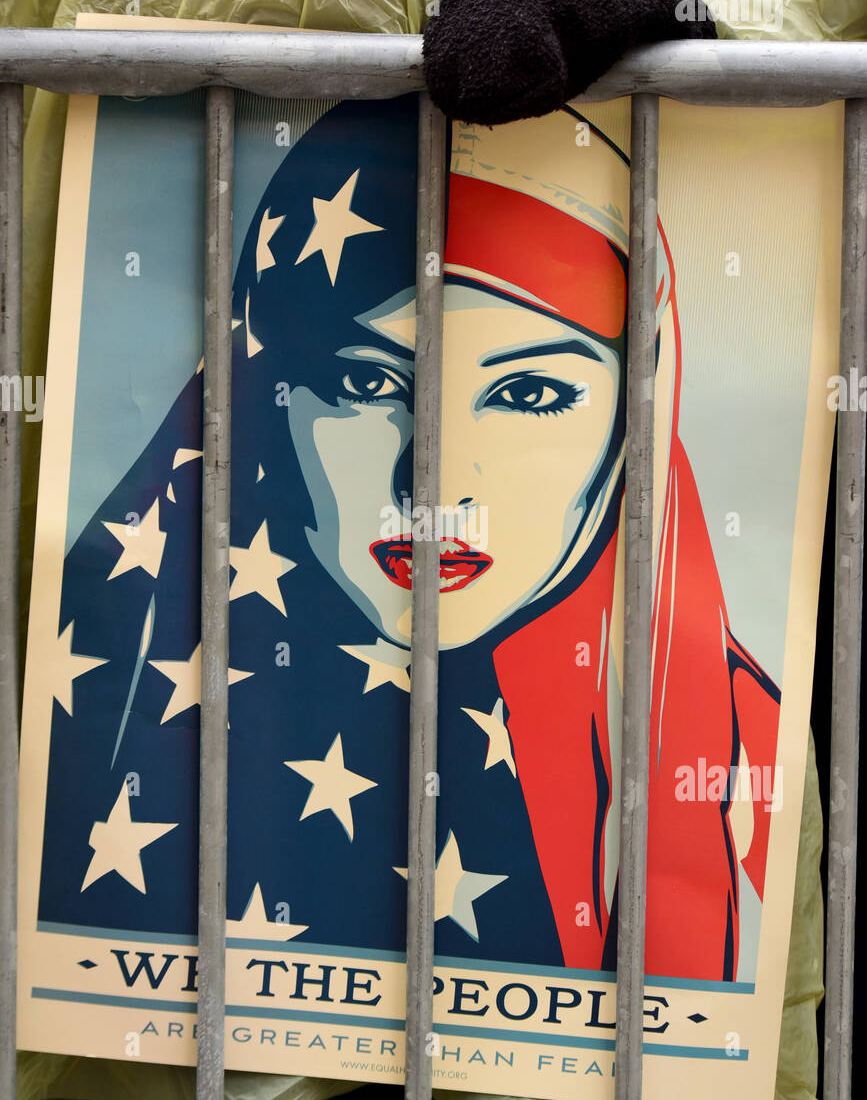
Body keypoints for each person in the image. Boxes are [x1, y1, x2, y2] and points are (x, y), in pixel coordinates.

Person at [42, 92, 780, 984]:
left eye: (529, 396)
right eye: (365, 381)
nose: (431, 483)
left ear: (635, 421)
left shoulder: (744, 751)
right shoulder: (86, 691)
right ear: (262, 379)